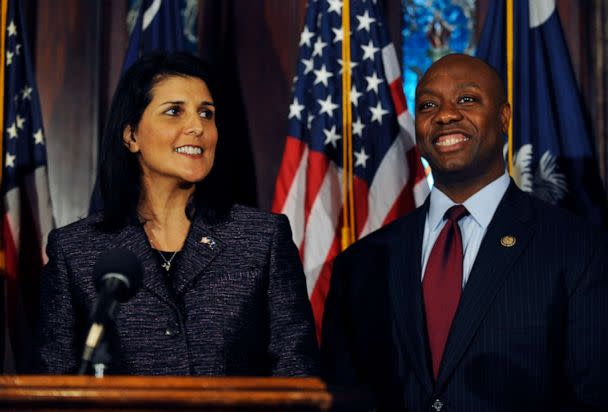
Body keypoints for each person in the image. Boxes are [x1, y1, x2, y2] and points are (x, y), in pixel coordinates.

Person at [321, 54, 608, 411]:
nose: (445, 115)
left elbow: (593, 395)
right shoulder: (360, 264)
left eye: (467, 100)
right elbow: (343, 397)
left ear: (504, 117)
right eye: (428, 105)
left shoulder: (579, 247)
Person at [34, 52, 319, 376]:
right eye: (174, 112)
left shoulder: (261, 239)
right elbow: (53, 379)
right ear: (131, 136)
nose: (197, 127)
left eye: (206, 114)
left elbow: (298, 375)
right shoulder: (75, 249)